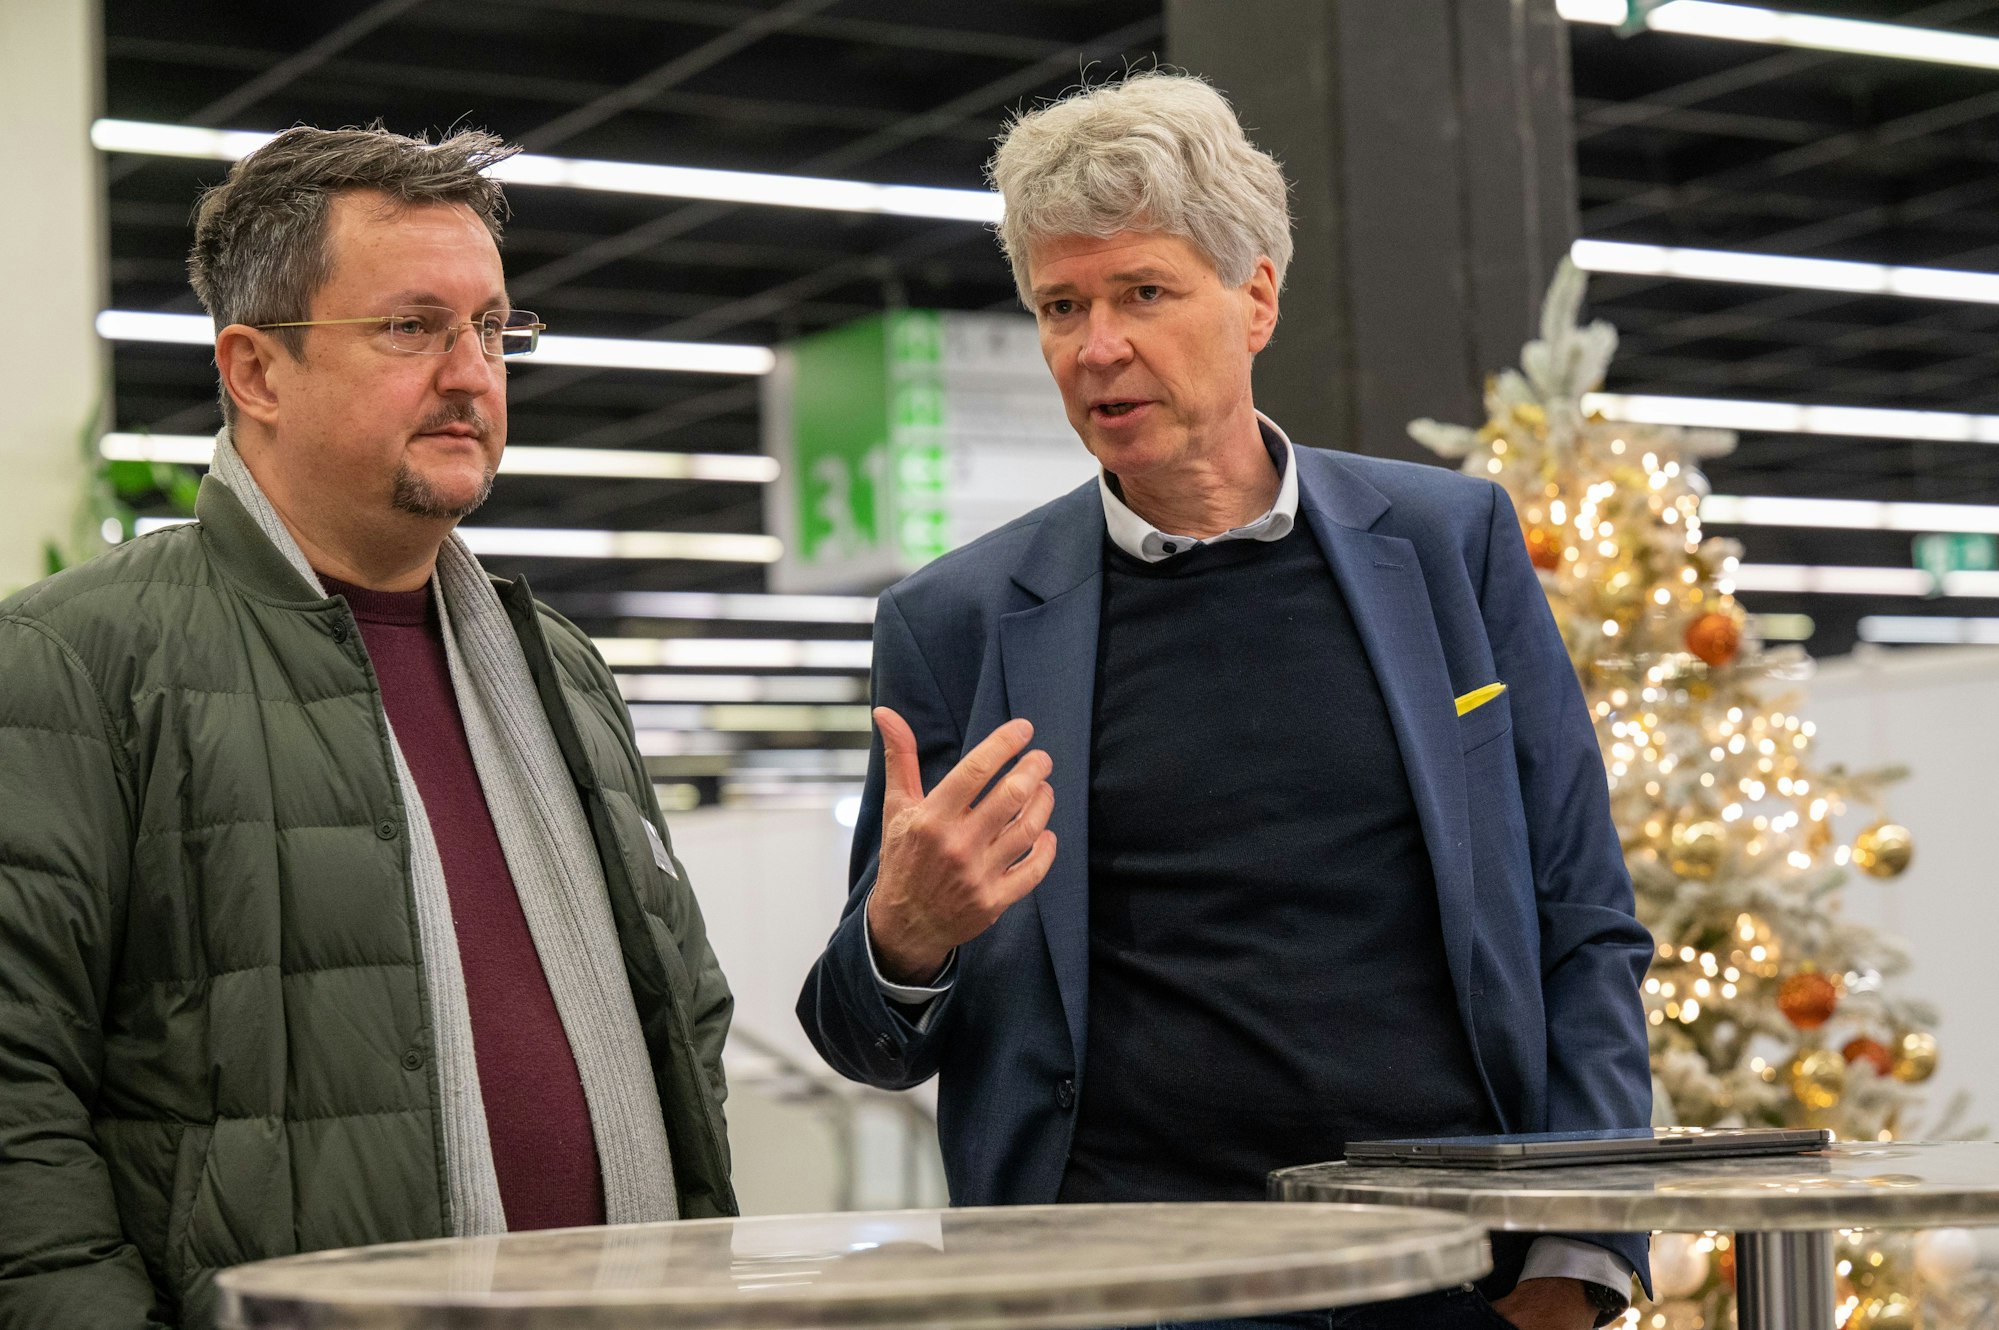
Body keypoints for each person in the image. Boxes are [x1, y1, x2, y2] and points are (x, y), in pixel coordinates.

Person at [797, 72, 1652, 1330]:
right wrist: (906, 937)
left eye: (1142, 291)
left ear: (1254, 296)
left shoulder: (1446, 545)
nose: (1097, 347)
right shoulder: (959, 623)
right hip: (1114, 1288)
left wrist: (1574, 1267)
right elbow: (867, 1037)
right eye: (1060, 305)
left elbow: (1581, 921)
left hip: (1442, 1278)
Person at [0, 125, 734, 1330]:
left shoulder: (557, 671)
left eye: (493, 328)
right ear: (256, 370)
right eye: (411, 327)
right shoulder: (75, 665)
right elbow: (16, 1109)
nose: (471, 372)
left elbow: (682, 1019)